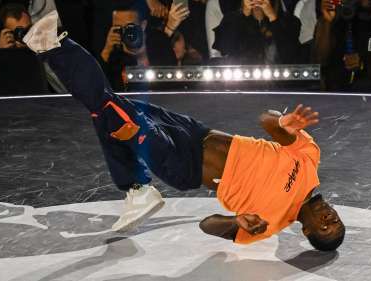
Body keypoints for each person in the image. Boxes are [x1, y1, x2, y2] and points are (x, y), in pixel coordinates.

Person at [21, 11, 345, 250]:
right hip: (195, 133)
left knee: (112, 113)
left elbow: (207, 226)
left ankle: (53, 45)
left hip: (184, 166)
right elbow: (267, 119)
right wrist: (283, 123)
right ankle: (135, 188)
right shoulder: (310, 159)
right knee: (109, 107)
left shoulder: (269, 224)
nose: (330, 219)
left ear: (307, 233)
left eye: (326, 229)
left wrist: (233, 222)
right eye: (336, 221)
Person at [312, 0, 371, 92]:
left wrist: (363, 66)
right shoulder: (337, 18)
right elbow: (319, 60)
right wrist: (327, 22)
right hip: (335, 94)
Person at [99, 2, 186, 91]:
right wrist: (106, 51)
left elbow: (172, 83)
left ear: (143, 25)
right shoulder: (114, 53)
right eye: (118, 27)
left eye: (130, 27)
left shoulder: (159, 43)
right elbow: (97, 86)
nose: (125, 32)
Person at [212, 0, 302, 64]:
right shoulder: (231, 20)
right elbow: (226, 49)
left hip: (279, 84)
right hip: (241, 83)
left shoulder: (290, 21)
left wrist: (273, 18)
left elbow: (290, 55)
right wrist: (243, 15)